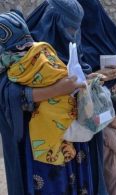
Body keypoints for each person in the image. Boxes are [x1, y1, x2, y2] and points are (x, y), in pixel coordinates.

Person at [1, 6, 91, 195]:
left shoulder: (41, 50)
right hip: (33, 142)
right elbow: (10, 94)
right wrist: (57, 89)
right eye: (68, 28)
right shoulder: (11, 59)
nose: (72, 35)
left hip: (68, 135)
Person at [76, 0, 116, 193]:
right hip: (90, 104)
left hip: (115, 99)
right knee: (99, 149)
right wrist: (91, 77)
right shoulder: (73, 39)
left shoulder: (110, 35)